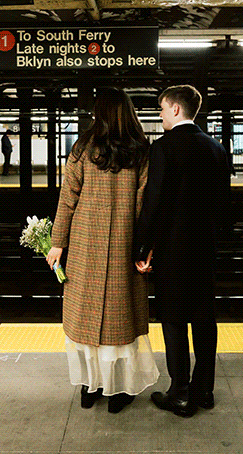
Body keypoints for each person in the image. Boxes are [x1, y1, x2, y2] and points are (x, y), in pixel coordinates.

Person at [46, 88, 159, 414]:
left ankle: (89, 386)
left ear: (99, 113)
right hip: (124, 244)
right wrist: (145, 248)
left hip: (84, 245)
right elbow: (143, 204)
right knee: (118, 322)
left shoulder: (83, 148)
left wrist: (57, 243)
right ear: (127, 112)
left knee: (85, 318)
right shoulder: (141, 150)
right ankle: (118, 391)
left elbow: (68, 198)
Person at [133, 84, 230, 418]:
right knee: (204, 320)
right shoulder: (216, 148)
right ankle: (205, 391)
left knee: (174, 320)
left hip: (173, 251)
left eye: (161, 108)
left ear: (175, 109)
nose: (160, 115)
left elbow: (154, 202)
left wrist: (141, 246)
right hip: (206, 249)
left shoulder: (163, 148)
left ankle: (180, 394)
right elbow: (224, 206)